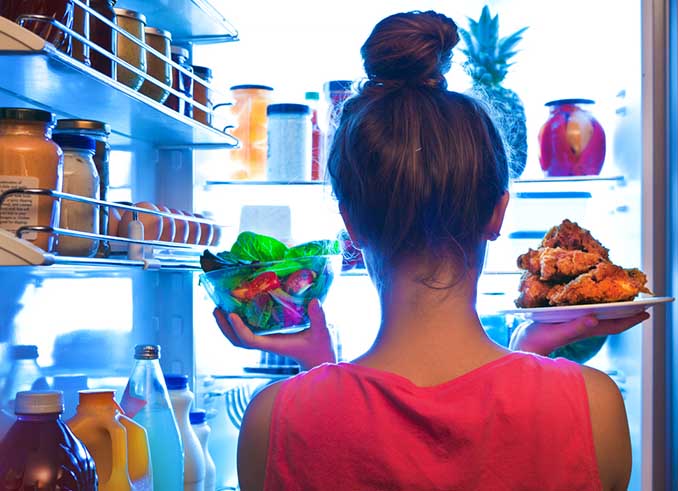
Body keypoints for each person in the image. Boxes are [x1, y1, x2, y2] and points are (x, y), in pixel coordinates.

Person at [214, 10, 648, 491]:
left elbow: (348, 438)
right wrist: (527, 362)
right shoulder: (594, 406)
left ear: (350, 225)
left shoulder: (272, 420)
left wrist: (318, 375)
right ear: (497, 213)